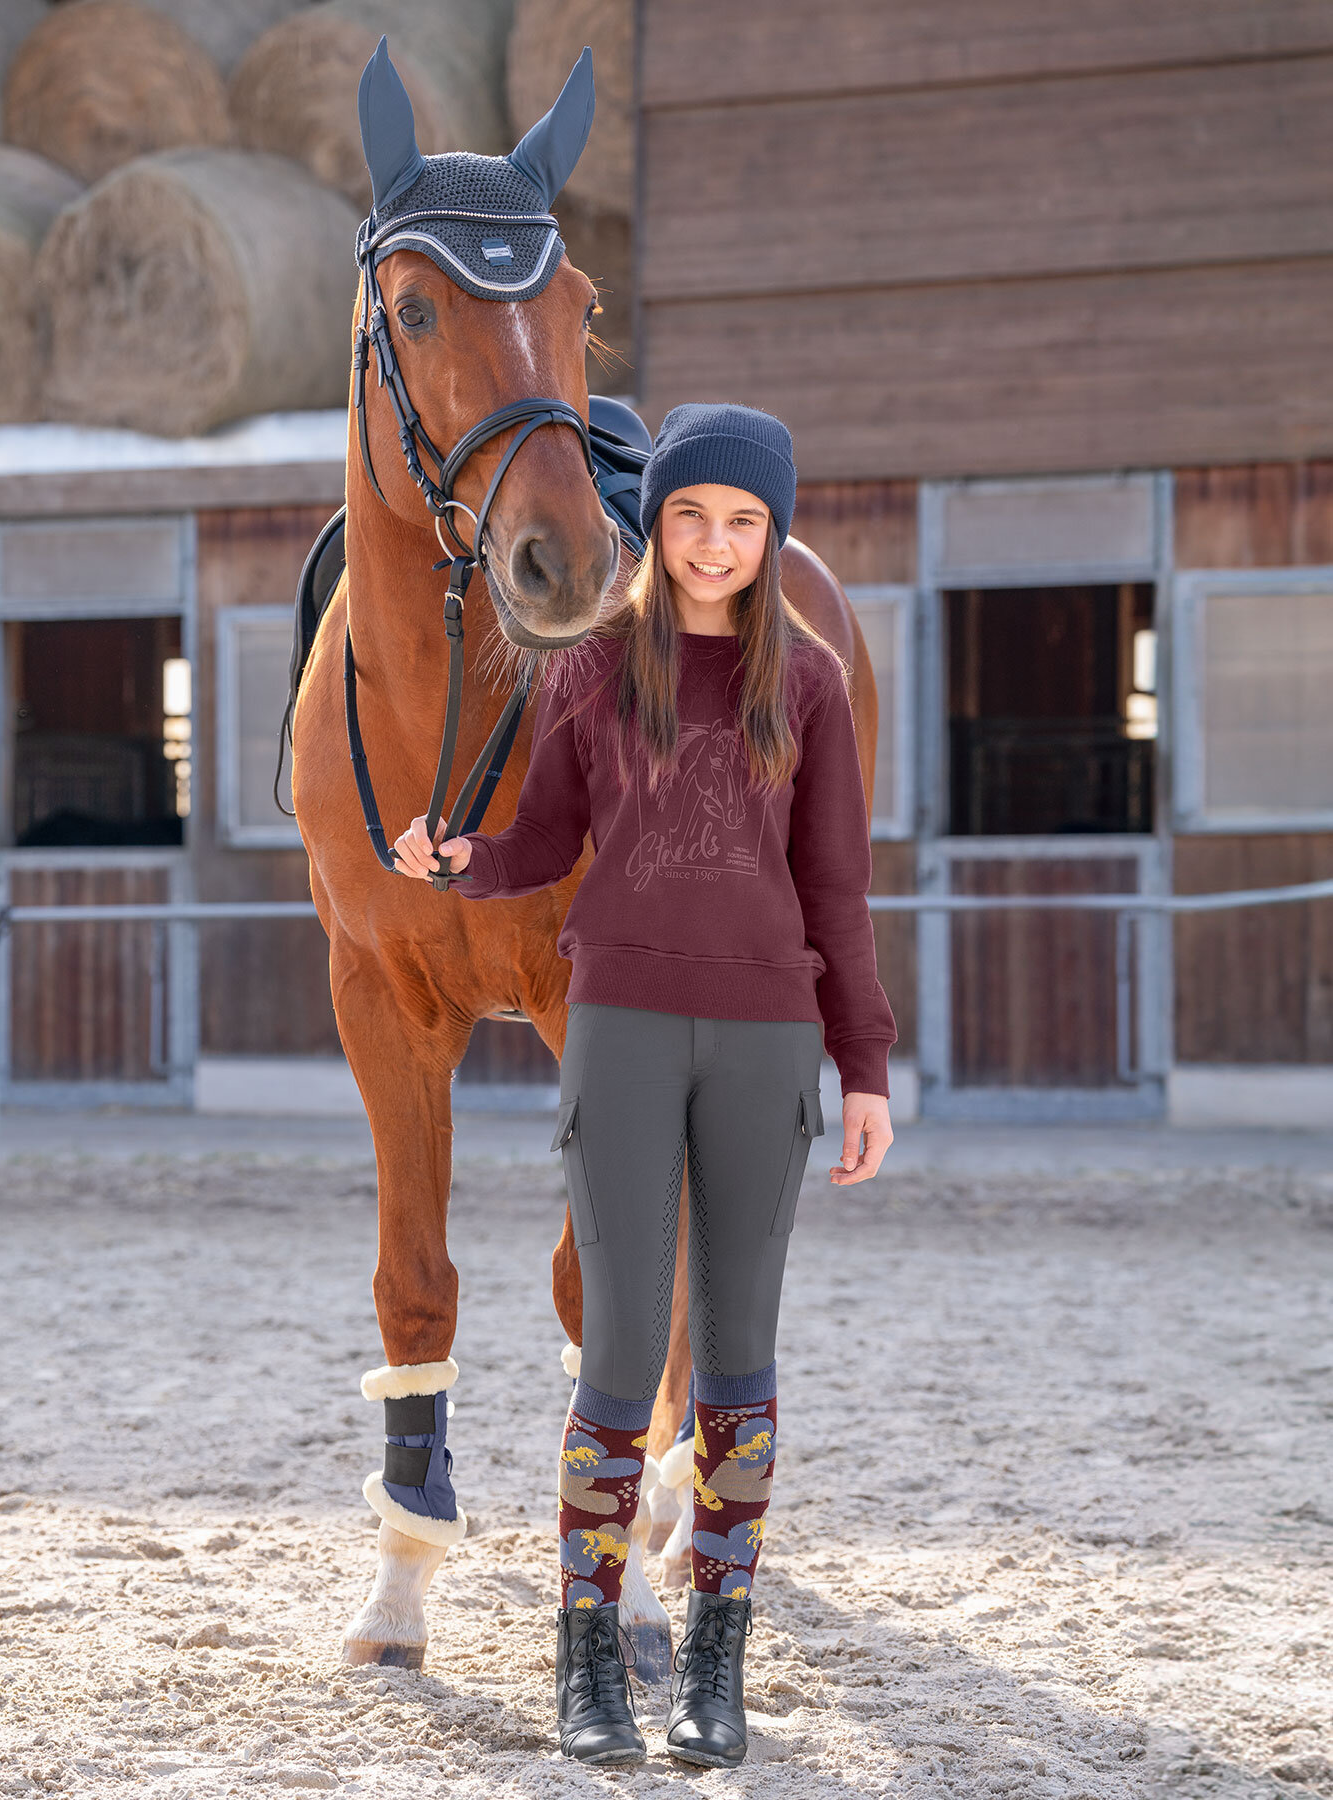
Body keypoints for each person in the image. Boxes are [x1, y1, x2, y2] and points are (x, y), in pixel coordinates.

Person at [391, 403, 896, 1768]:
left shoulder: (806, 688)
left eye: (743, 522)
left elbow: (837, 891)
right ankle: (586, 1665)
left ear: (769, 534)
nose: (717, 544)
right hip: (615, 1029)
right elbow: (545, 839)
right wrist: (458, 860)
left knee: (735, 1362)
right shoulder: (593, 671)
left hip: (764, 1043)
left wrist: (862, 1066)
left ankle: (716, 1670)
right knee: (617, 1356)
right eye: (691, 517)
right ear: (655, 527)